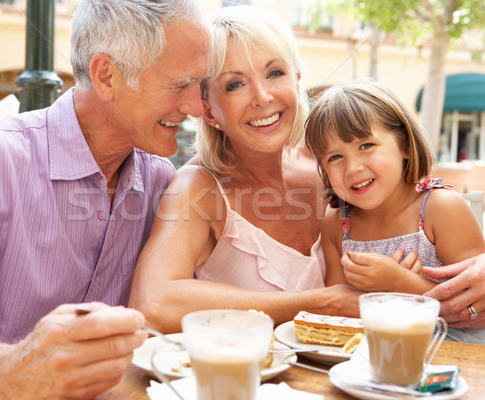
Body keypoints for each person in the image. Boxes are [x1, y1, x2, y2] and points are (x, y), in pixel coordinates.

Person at [0, 0, 210, 398]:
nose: (198, 108)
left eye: (201, 86)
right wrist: (18, 370)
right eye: (181, 84)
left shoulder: (160, 180)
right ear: (106, 76)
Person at [128, 5, 366, 334]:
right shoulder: (198, 187)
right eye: (235, 85)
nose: (262, 97)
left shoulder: (330, 163)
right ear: (209, 110)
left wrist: (464, 270)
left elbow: (417, 210)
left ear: (297, 82)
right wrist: (320, 304)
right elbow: (152, 305)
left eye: (274, 73)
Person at [304, 80, 485, 345]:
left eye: (366, 145)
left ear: (405, 146)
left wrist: (399, 284)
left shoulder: (440, 208)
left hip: (454, 355)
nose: (352, 168)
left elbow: (480, 314)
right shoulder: (337, 225)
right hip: (373, 354)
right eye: (334, 157)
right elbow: (341, 312)